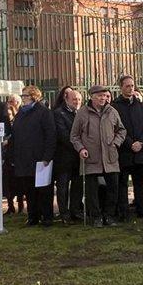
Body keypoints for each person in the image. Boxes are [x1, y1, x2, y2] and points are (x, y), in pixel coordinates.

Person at [70, 85, 127, 228]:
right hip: (90, 158)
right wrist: (81, 148)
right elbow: (74, 135)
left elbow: (121, 130)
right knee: (92, 191)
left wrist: (116, 143)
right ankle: (96, 217)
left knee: (113, 189)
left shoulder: (112, 111)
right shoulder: (82, 113)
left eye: (105, 95)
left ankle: (109, 215)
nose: (103, 98)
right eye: (100, 96)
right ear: (92, 97)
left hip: (110, 157)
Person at [11, 85, 57, 227]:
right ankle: (33, 217)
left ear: (33, 96)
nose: (22, 98)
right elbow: (15, 134)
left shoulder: (43, 112)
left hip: (40, 158)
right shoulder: (21, 113)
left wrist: (47, 156)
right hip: (24, 158)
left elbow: (51, 135)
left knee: (44, 190)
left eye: (25, 96)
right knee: (29, 190)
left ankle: (47, 217)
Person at [112, 75, 143, 220]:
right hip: (124, 151)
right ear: (121, 87)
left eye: (132, 85)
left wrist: (141, 142)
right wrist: (130, 143)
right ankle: (124, 213)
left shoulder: (142, 105)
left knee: (141, 183)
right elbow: (117, 128)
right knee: (122, 184)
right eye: (127, 86)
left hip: (141, 151)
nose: (130, 88)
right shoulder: (115, 106)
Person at [53, 87, 83, 225]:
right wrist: (79, 147)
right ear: (66, 99)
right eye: (74, 99)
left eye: (79, 99)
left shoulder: (82, 113)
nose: (76, 102)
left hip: (79, 157)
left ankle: (75, 211)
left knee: (77, 186)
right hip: (64, 157)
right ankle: (64, 213)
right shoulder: (58, 113)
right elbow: (63, 135)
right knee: (63, 187)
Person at [4, 93, 22, 214]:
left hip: (17, 156)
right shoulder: (4, 124)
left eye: (12, 101)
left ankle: (21, 206)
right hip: (7, 158)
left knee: (19, 183)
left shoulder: (19, 122)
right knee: (8, 183)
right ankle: (10, 207)